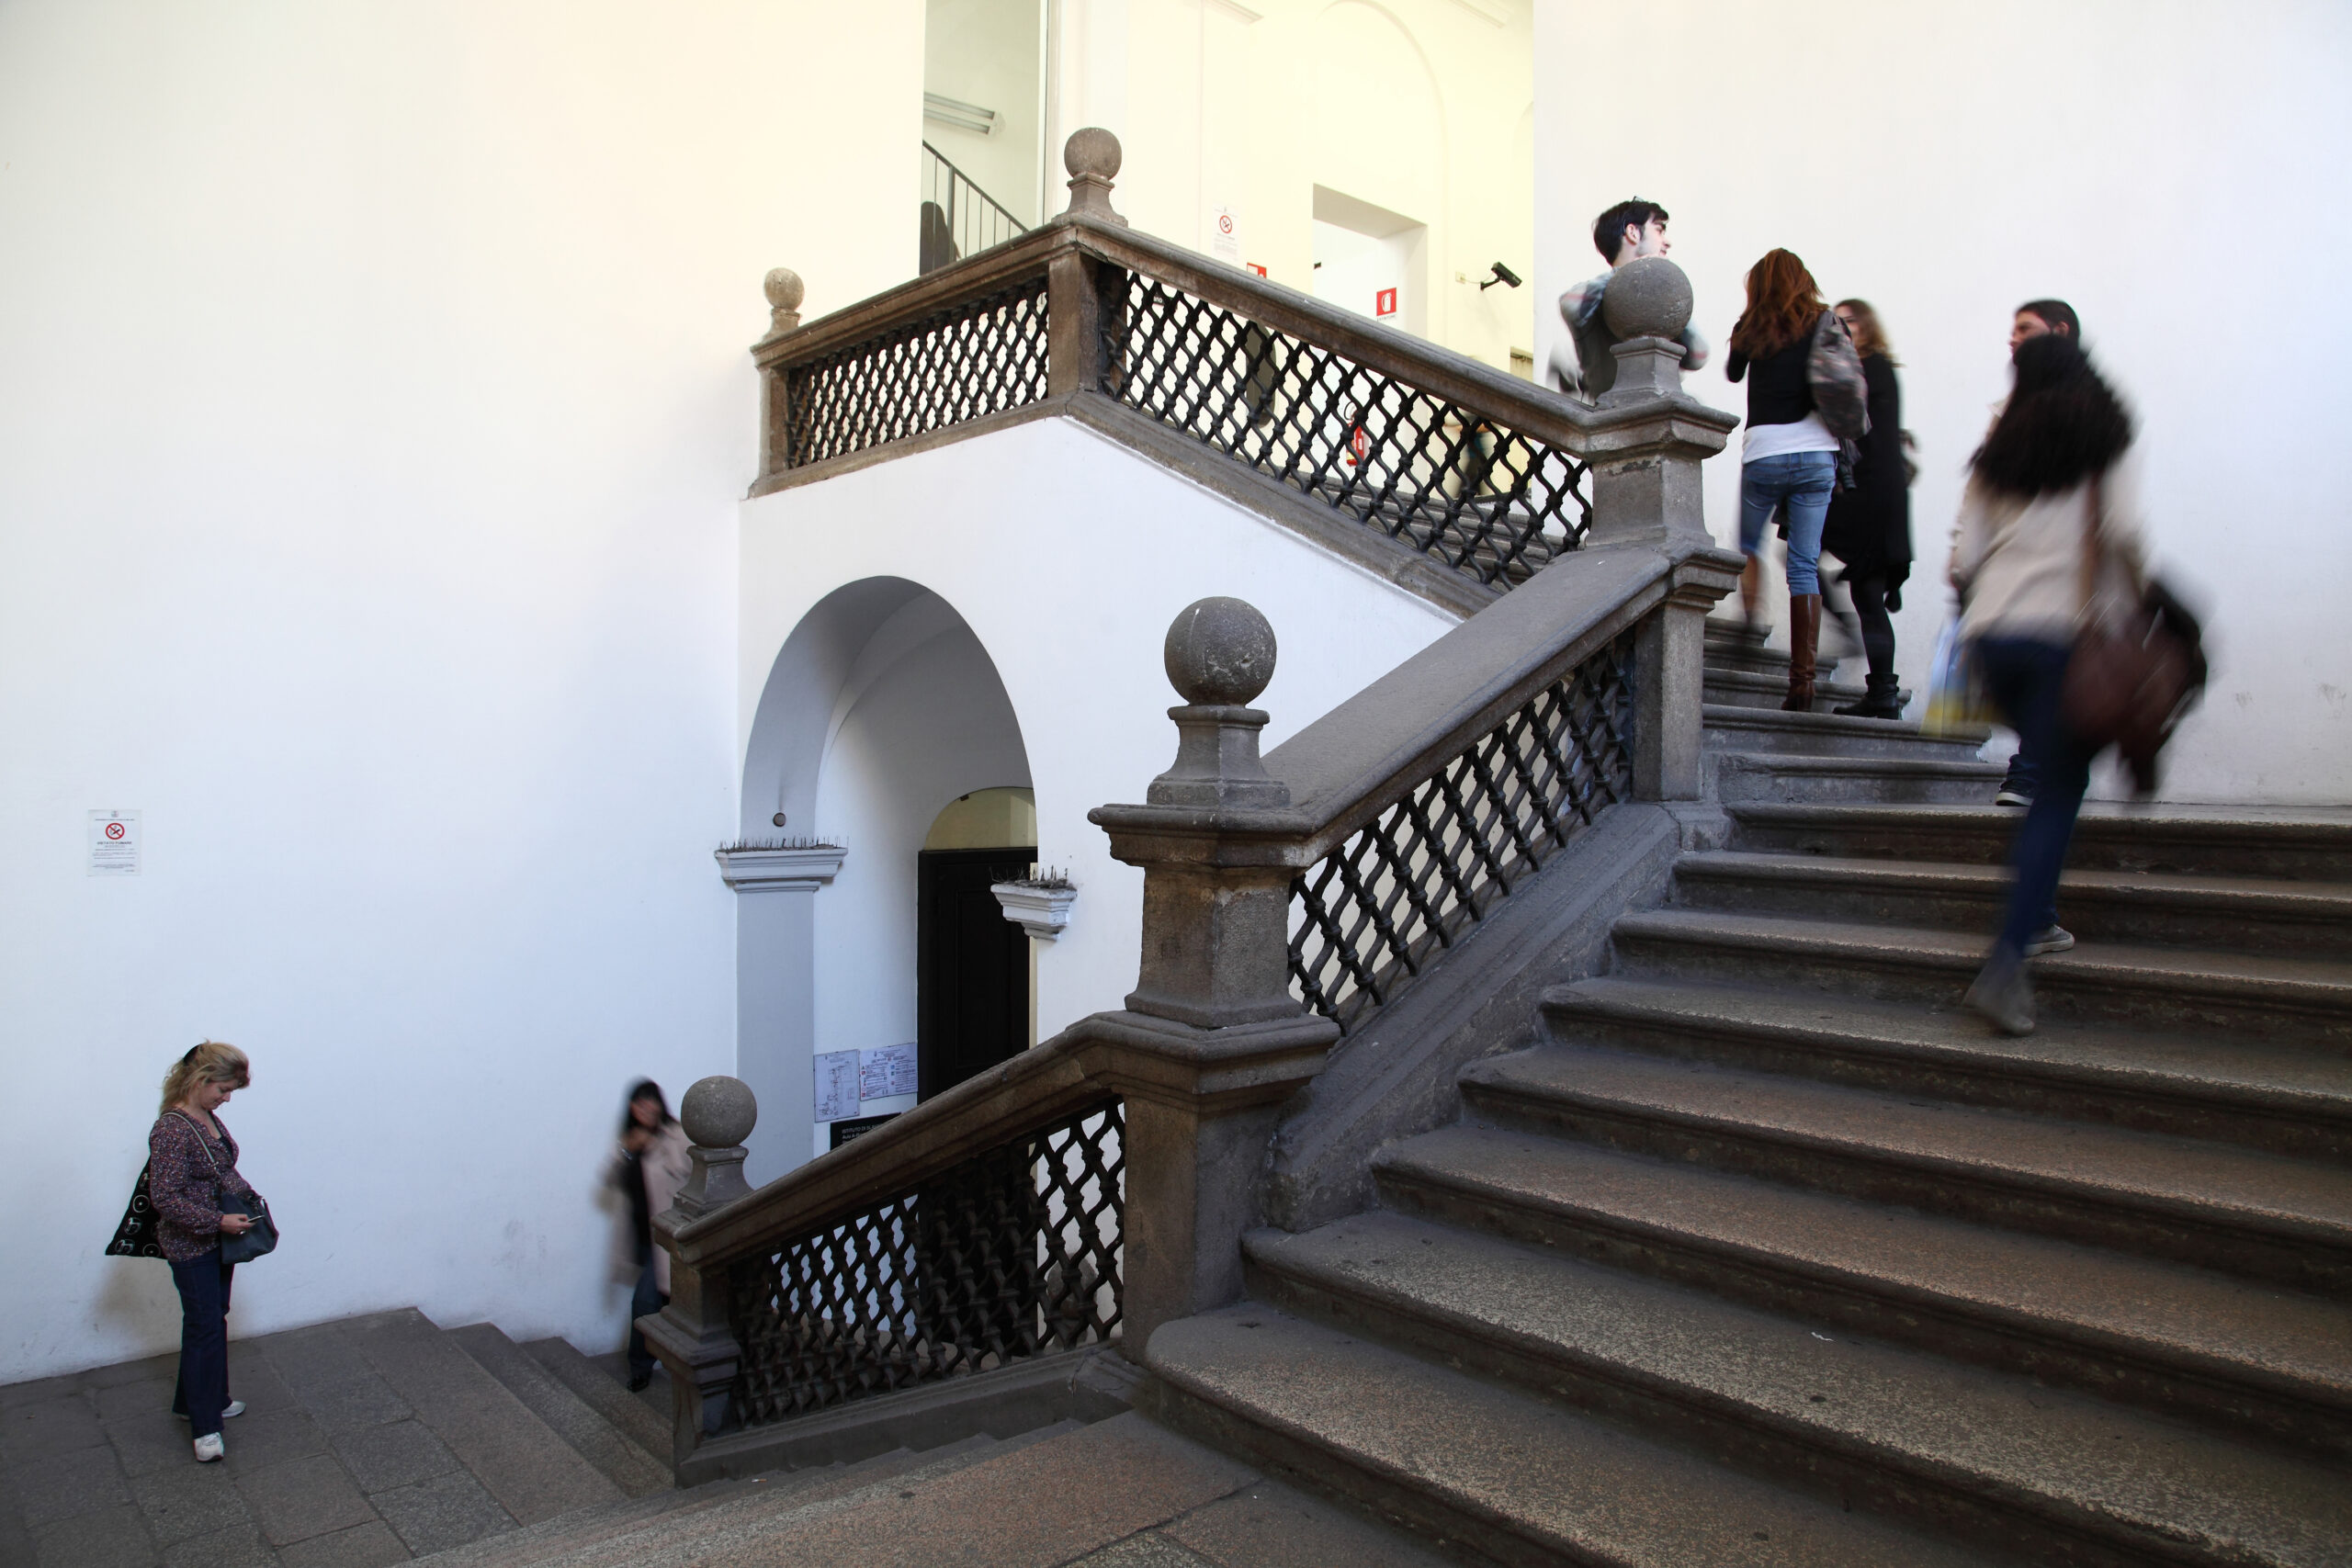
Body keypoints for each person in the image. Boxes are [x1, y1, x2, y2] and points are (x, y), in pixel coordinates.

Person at [1951, 333, 2144, 1035]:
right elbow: (2123, 531)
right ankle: (2010, 955)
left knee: (2047, 772)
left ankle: (2039, 914)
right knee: (2058, 789)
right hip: (2061, 632)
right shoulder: (2106, 438)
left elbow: (1966, 556)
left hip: (1992, 637)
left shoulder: (1996, 455)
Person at [1724, 249, 1869, 709]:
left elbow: (1731, 373)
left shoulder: (1751, 327)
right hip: (1815, 454)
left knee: (1750, 543)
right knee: (1805, 565)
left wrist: (1744, 332)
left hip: (1765, 451)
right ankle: (1802, 681)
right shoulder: (1824, 321)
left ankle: (1751, 617)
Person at [149, 1042, 260, 1462]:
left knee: (211, 1319)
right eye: (224, 1089)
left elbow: (221, 1170)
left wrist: (248, 1199)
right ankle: (205, 1427)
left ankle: (203, 1399)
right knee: (204, 1327)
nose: (227, 1098)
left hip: (219, 1240)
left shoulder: (207, 1118)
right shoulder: (172, 1128)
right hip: (191, 1243)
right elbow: (166, 1198)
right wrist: (218, 1221)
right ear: (200, 1080)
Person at [1991, 299, 2082, 804]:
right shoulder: (2015, 406)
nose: (2012, 337)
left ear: (2060, 331)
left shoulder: (2081, 402)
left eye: (2025, 328)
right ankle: (2038, 767)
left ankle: (2030, 770)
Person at [1821, 299, 1914, 718]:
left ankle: (1882, 694)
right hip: (1879, 492)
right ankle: (1882, 695)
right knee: (1868, 595)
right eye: (1837, 321)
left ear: (1869, 326)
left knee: (1802, 542)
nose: (1843, 328)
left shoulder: (1870, 367)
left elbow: (1852, 425)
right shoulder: (1875, 369)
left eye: (1851, 320)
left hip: (1872, 492)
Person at [1549, 198, 1710, 403]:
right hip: (1614, 416)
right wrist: (1630, 273)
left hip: (1660, 412)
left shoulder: (1661, 294)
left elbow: (1698, 355)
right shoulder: (1598, 295)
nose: (1667, 242)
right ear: (1633, 233)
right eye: (1659, 230)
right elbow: (1571, 304)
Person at [615, 1080, 692, 1392]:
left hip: (669, 1236)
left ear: (660, 1104)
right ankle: (652, 1364)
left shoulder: (676, 1134)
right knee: (659, 1302)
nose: (645, 1109)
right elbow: (609, 1178)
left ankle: (641, 1368)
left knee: (646, 1302)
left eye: (650, 1103)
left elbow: (686, 1170)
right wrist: (628, 1150)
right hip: (643, 1238)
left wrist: (656, 1146)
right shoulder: (629, 1139)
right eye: (638, 1104)